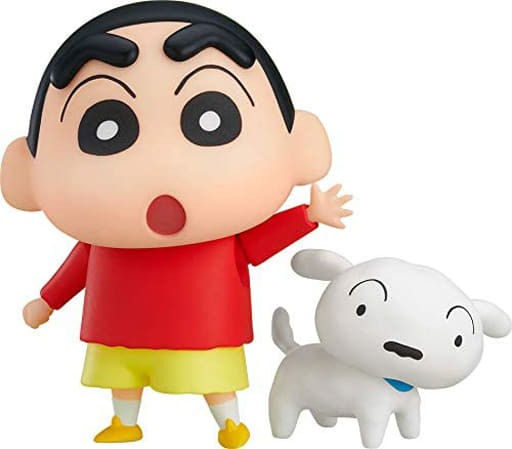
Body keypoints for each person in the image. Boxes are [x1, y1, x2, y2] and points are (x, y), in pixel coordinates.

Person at [1, 2, 353, 447]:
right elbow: (78, 268)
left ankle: (229, 422)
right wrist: (47, 301)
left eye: (212, 120)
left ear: (300, 143)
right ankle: (125, 423)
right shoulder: (104, 242)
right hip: (119, 326)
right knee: (122, 373)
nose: (159, 165)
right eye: (105, 128)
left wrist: (307, 217)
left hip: (203, 325)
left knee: (210, 373)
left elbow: (255, 245)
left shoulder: (218, 237)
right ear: (24, 172)